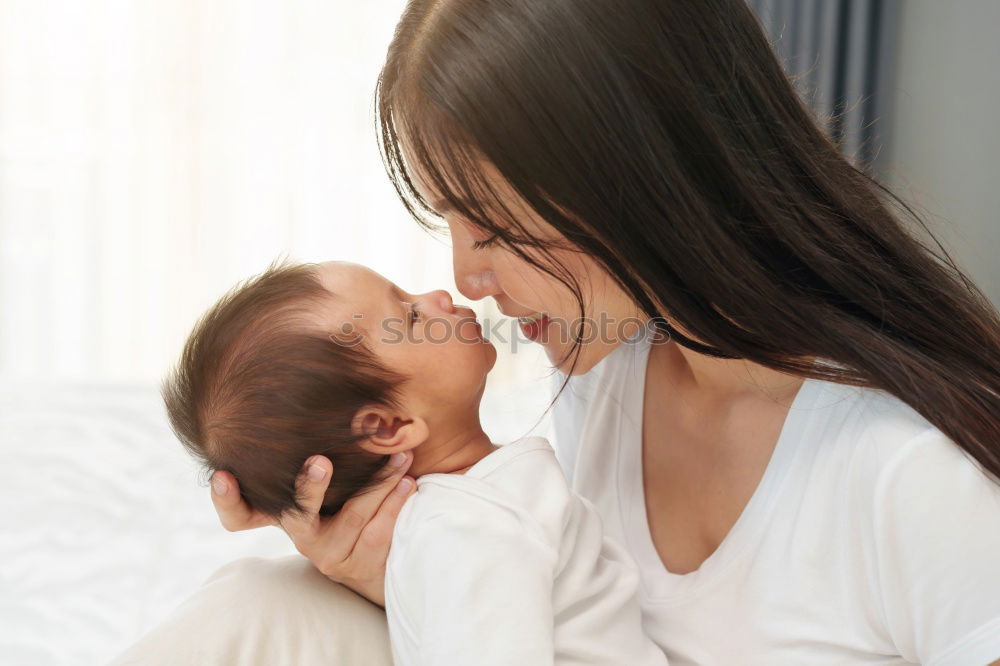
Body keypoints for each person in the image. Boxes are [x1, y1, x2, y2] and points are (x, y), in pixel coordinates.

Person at [111, 0, 1000, 664]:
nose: (466, 280)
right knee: (260, 603)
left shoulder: (913, 475)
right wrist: (393, 568)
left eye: (491, 229)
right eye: (451, 228)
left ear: (639, 181)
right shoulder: (609, 379)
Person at [156, 259, 669, 665]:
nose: (443, 295)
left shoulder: (464, 516)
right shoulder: (467, 525)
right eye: (412, 315)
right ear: (388, 426)